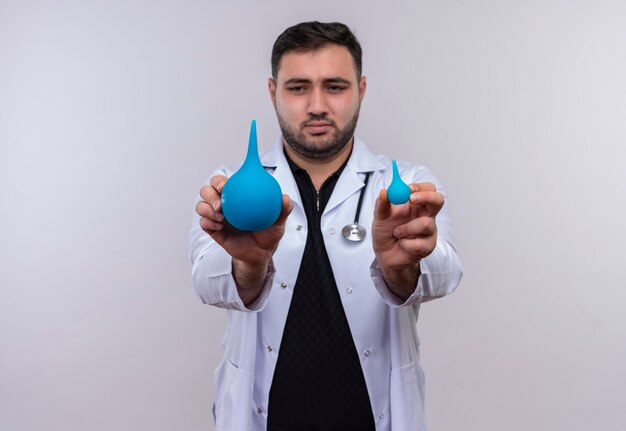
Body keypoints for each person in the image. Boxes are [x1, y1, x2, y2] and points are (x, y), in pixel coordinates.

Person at [189, 21, 463, 431]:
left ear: (361, 90)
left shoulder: (403, 185)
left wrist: (400, 268)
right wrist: (248, 269)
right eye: (298, 87)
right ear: (272, 92)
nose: (317, 105)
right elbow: (205, 281)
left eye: (335, 86)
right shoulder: (228, 189)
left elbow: (446, 273)